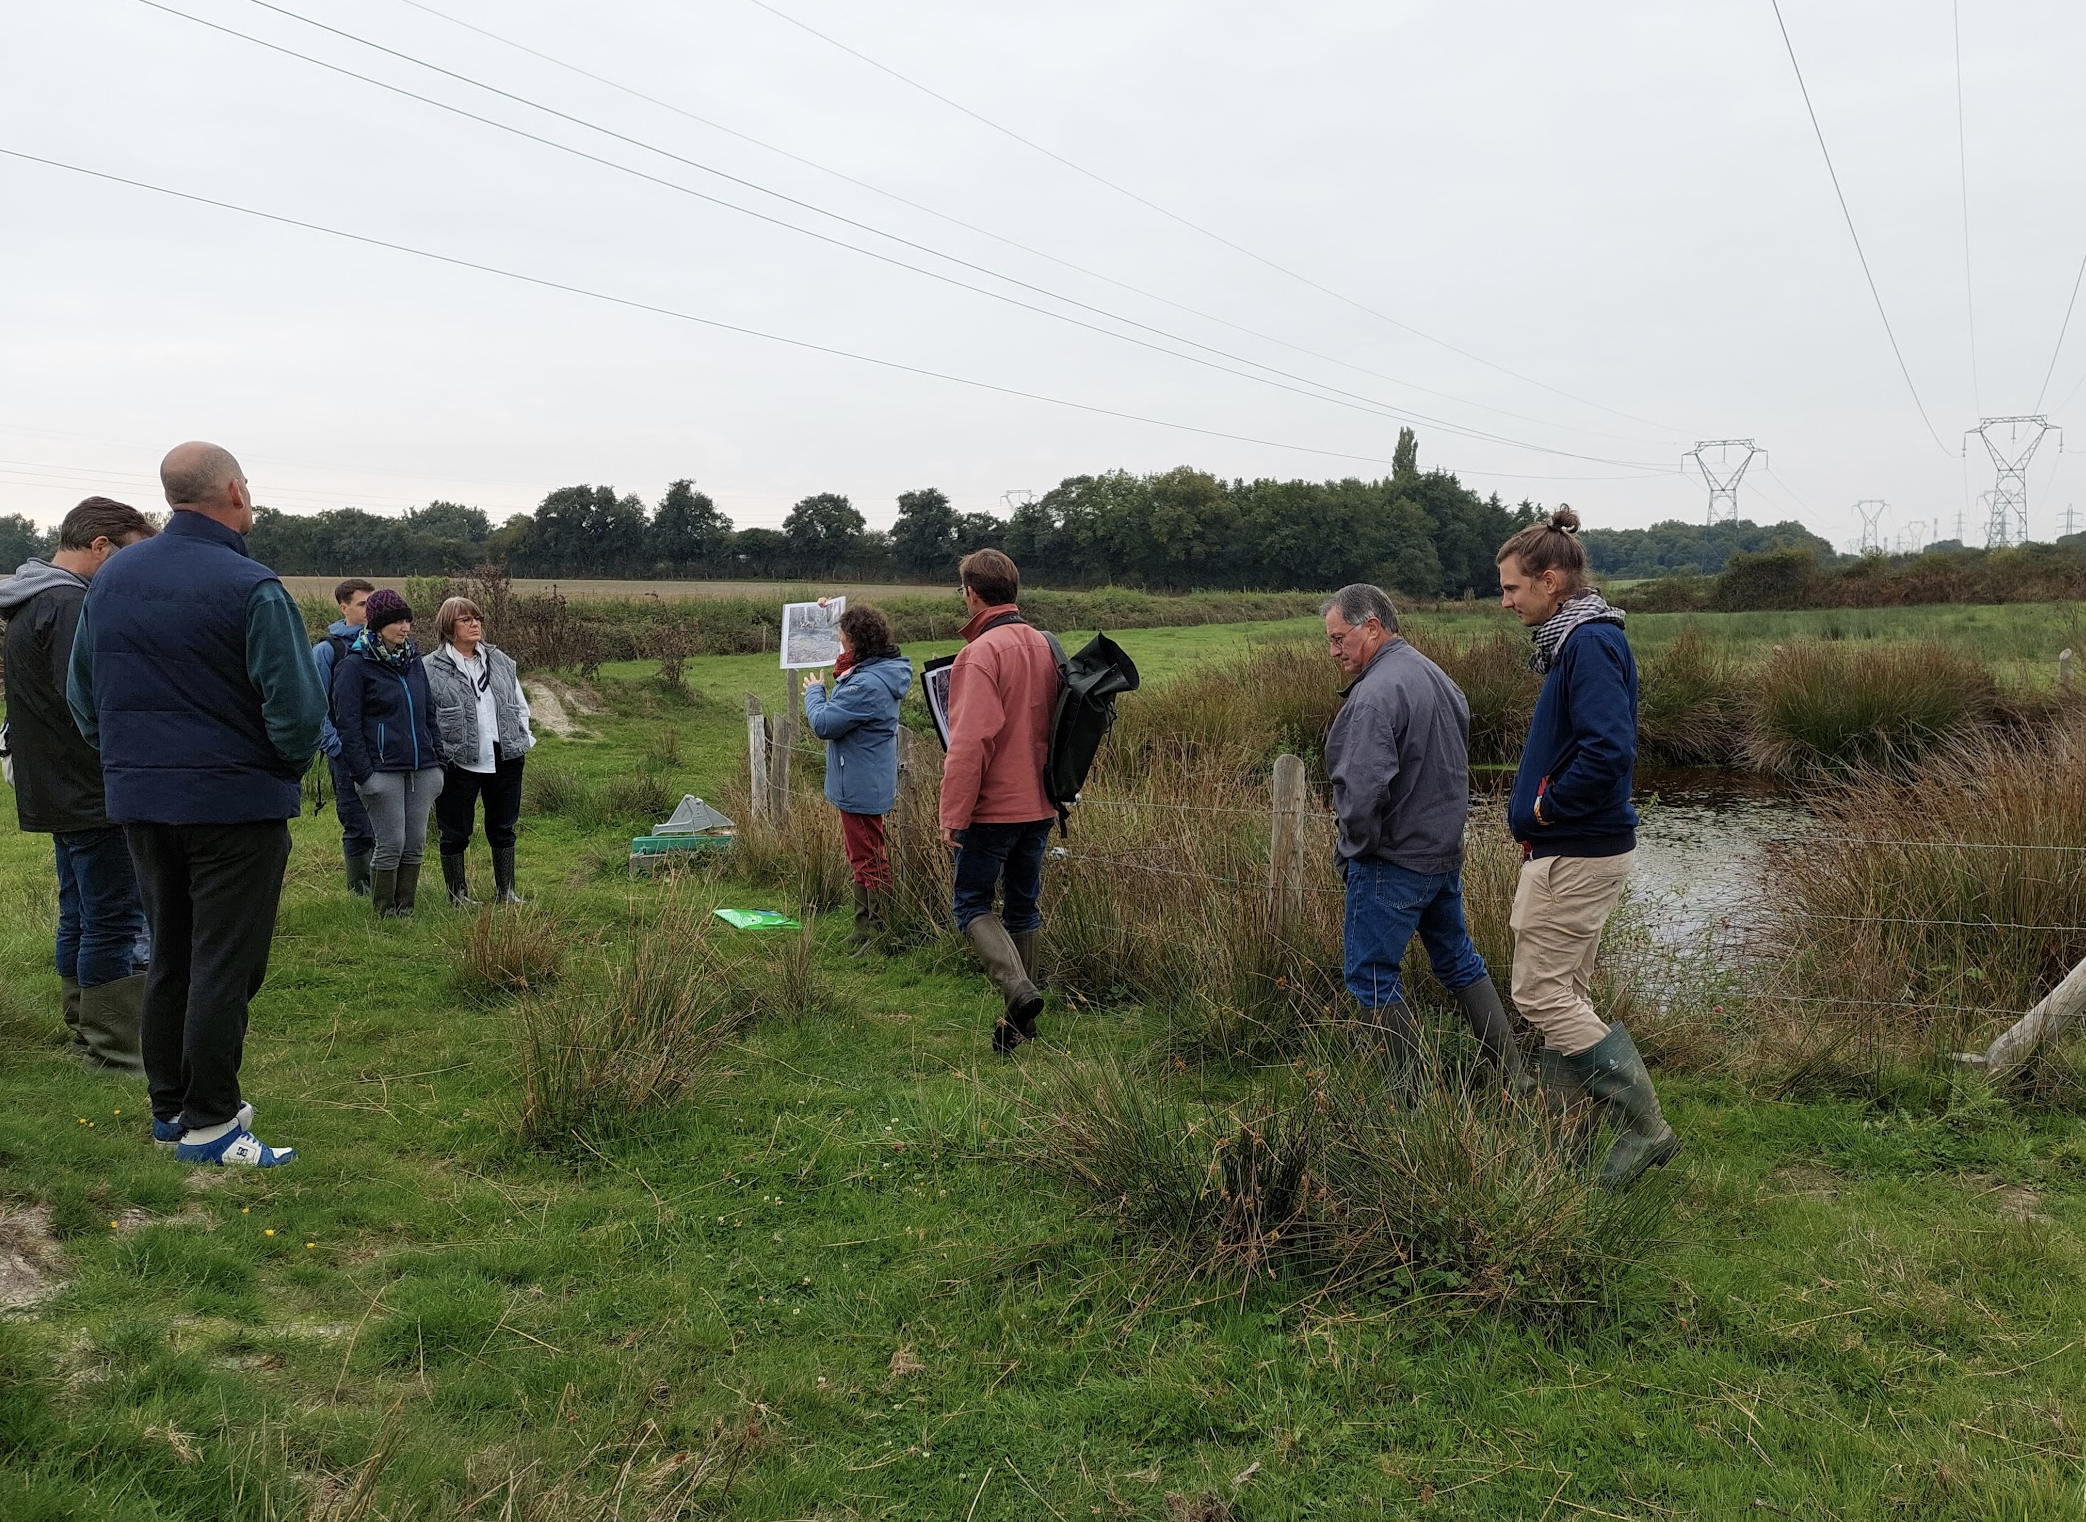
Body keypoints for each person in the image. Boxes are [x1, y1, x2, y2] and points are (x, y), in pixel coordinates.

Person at [67, 442, 325, 1167]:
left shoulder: (111, 578)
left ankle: (170, 1107)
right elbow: (298, 714)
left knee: (173, 952)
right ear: (236, 494)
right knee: (225, 961)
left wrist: (131, 762)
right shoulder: (253, 586)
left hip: (142, 801)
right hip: (234, 804)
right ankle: (214, 1124)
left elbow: (82, 698)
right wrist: (282, 765)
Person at [1497, 506, 1680, 1187]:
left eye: (1514, 588)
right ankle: (1563, 1140)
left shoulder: (1591, 644)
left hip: (1576, 846)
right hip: (1572, 843)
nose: (1506, 601)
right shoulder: (1576, 640)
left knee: (1541, 993)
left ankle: (1645, 1129)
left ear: (1552, 580)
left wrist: (1545, 807)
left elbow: (1608, 749)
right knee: (1564, 989)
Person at [1321, 583, 1524, 1089]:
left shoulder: (1374, 694)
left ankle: (1410, 1096)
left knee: (1371, 977)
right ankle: (1515, 1079)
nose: (1333, 651)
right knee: (1458, 960)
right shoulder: (1438, 677)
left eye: (1339, 638)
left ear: (1372, 627)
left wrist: (1354, 851)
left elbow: (1363, 791)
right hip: (1443, 857)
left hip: (1392, 861)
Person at [1, 496, 157, 1074]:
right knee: (115, 916)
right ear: (100, 547)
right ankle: (116, 1047)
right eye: (130, 554)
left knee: (84, 911)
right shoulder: (70, 606)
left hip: (55, 787)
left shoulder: (33, 599)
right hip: (91, 789)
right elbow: (93, 702)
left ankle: (84, 1021)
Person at [938, 549, 1061, 1054]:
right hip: (1043, 803)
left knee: (969, 904)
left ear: (971, 592)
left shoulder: (980, 653)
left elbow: (971, 742)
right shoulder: (1045, 644)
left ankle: (1017, 988)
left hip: (992, 807)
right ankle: (1021, 1028)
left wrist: (953, 814)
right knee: (1023, 906)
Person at [801, 603, 913, 950]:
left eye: (842, 635)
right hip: (864, 777)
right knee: (863, 853)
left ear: (856, 642)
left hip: (860, 783)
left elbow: (823, 723)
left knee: (867, 856)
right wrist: (828, 607)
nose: (838, 638)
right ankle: (864, 924)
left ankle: (877, 929)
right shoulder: (877, 672)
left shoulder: (865, 685)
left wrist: (814, 693)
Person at [331, 589, 447, 918]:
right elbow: (347, 726)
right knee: (392, 843)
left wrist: (437, 762)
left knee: (415, 843)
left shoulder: (413, 662)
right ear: (379, 624)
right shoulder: (355, 666)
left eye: (408, 620)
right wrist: (365, 775)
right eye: (397, 621)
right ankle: (384, 912)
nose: (406, 627)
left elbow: (428, 714)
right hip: (382, 772)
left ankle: (405, 910)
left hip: (423, 768)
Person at [424, 595, 534, 907]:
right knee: (454, 830)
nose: (475, 625)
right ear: (449, 627)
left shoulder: (500, 661)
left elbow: (517, 702)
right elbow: (426, 715)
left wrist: (520, 735)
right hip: (458, 759)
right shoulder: (429, 669)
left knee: (503, 826)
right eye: (466, 620)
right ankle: (457, 895)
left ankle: (507, 892)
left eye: (477, 619)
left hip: (505, 756)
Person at [312, 578, 377, 896]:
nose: (370, 610)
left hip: (382, 750)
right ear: (344, 607)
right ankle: (359, 888)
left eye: (373, 603)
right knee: (355, 820)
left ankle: (384, 882)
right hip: (346, 753)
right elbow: (315, 706)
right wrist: (336, 747)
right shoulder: (328, 650)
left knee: (385, 819)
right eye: (363, 603)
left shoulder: (383, 644)